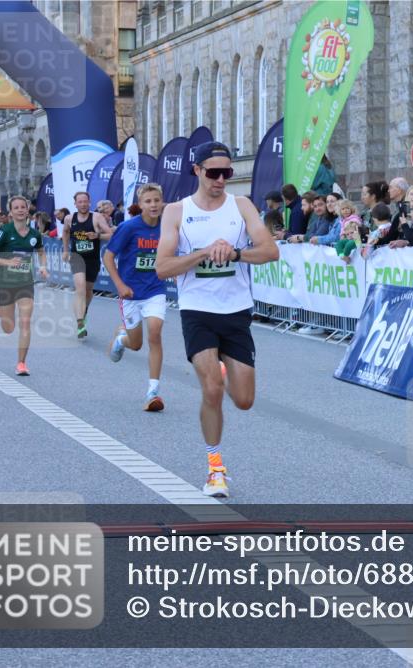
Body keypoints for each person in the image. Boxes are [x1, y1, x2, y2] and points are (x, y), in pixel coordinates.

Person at [156, 141, 279, 498]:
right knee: (211, 390)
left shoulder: (241, 206)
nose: (221, 179)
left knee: (243, 400)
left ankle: (222, 367)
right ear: (197, 171)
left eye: (227, 172)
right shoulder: (177, 211)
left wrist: (236, 252)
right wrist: (201, 254)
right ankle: (215, 469)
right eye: (214, 173)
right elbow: (163, 268)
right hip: (198, 311)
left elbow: (271, 250)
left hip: (236, 312)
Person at [104, 183, 168, 412]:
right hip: (130, 293)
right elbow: (109, 257)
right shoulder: (129, 227)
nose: (153, 205)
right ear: (140, 205)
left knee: (155, 333)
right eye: (148, 201)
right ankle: (122, 339)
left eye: (156, 200)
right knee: (137, 344)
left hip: (155, 290)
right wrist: (119, 284)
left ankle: (153, 391)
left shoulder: (167, 227)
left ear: (162, 202)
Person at [0, 195, 48, 376]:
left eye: (23, 207)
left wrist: (43, 266)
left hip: (25, 282)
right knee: (8, 328)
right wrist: (8, 262)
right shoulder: (3, 231)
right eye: (16, 207)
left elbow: (41, 252)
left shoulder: (35, 234)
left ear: (28, 210)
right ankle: (1, 312)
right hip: (5, 282)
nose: (20, 210)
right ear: (11, 212)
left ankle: (21, 363)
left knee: (25, 322)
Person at [63, 191, 113, 338]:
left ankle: (83, 312)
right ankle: (80, 323)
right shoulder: (69, 218)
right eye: (80, 202)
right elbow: (65, 232)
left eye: (85, 201)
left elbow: (110, 234)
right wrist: (65, 250)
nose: (83, 204)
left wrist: (97, 235)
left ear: (89, 202)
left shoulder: (96, 217)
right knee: (80, 288)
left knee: (88, 290)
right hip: (77, 257)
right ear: (75, 204)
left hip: (92, 259)